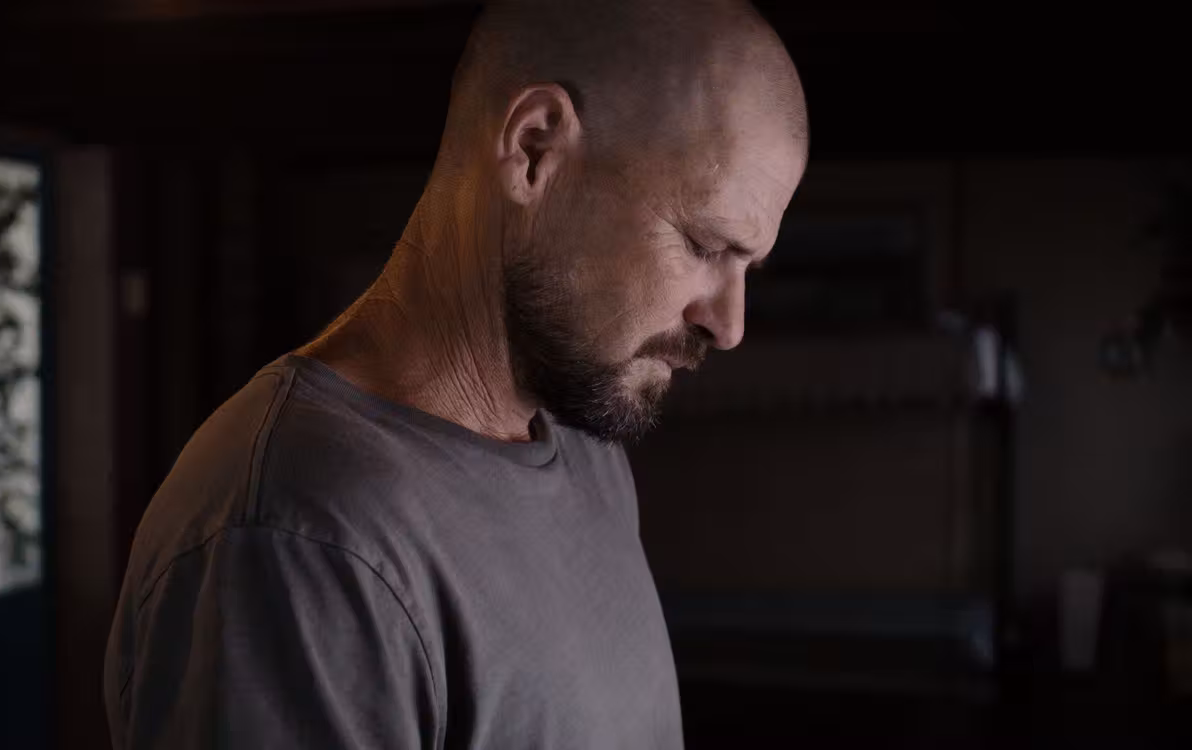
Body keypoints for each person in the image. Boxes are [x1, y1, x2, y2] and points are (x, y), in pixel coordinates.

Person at [105, 0, 808, 746]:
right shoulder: (297, 535)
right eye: (705, 246)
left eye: (749, 267)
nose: (728, 325)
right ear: (534, 149)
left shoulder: (581, 438)